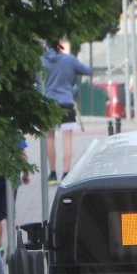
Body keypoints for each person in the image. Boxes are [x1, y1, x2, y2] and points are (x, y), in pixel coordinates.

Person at [40, 38, 92, 177]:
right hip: (66, 102)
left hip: (48, 103)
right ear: (61, 45)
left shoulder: (41, 60)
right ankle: (66, 173)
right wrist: (74, 73)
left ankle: (52, 173)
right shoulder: (69, 60)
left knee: (49, 138)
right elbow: (88, 71)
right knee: (67, 138)